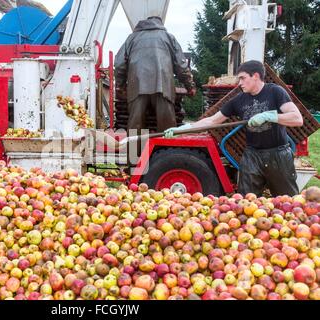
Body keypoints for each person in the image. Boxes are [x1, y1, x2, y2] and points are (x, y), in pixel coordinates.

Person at [164, 60, 303, 196]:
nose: (240, 83)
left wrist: (270, 116)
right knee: (247, 202)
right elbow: (213, 120)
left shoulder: (275, 92)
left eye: (242, 78)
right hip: (252, 156)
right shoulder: (239, 100)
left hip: (277, 154)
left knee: (287, 200)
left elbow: (297, 119)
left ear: (255, 76)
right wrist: (182, 129)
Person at [114, 16, 196, 133]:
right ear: (160, 24)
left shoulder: (132, 38)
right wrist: (190, 86)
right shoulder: (169, 37)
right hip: (163, 87)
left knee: (135, 127)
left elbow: (119, 64)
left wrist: (120, 86)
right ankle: (166, 150)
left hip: (137, 87)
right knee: (167, 128)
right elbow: (181, 65)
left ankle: (134, 151)